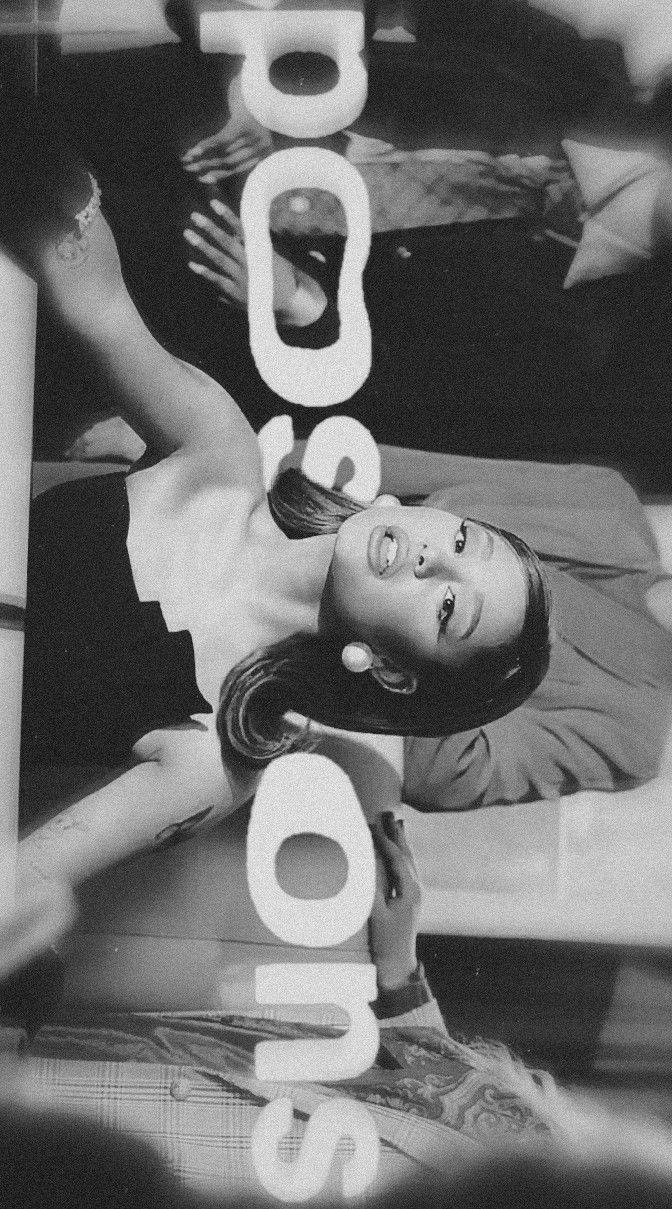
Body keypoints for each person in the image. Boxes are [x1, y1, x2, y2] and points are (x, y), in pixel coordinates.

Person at [12, 177, 551, 896]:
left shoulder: (215, 759)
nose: (433, 560)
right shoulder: (218, 450)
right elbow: (97, 300)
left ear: (392, 672)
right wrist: (49, 174)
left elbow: (28, 876)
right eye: (458, 541)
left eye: (451, 609)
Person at [180, 204, 672, 810]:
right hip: (253, 476)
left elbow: (448, 773)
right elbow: (398, 453)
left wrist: (431, 659)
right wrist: (221, 452)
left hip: (245, 654)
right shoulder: (609, 503)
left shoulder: (630, 732)